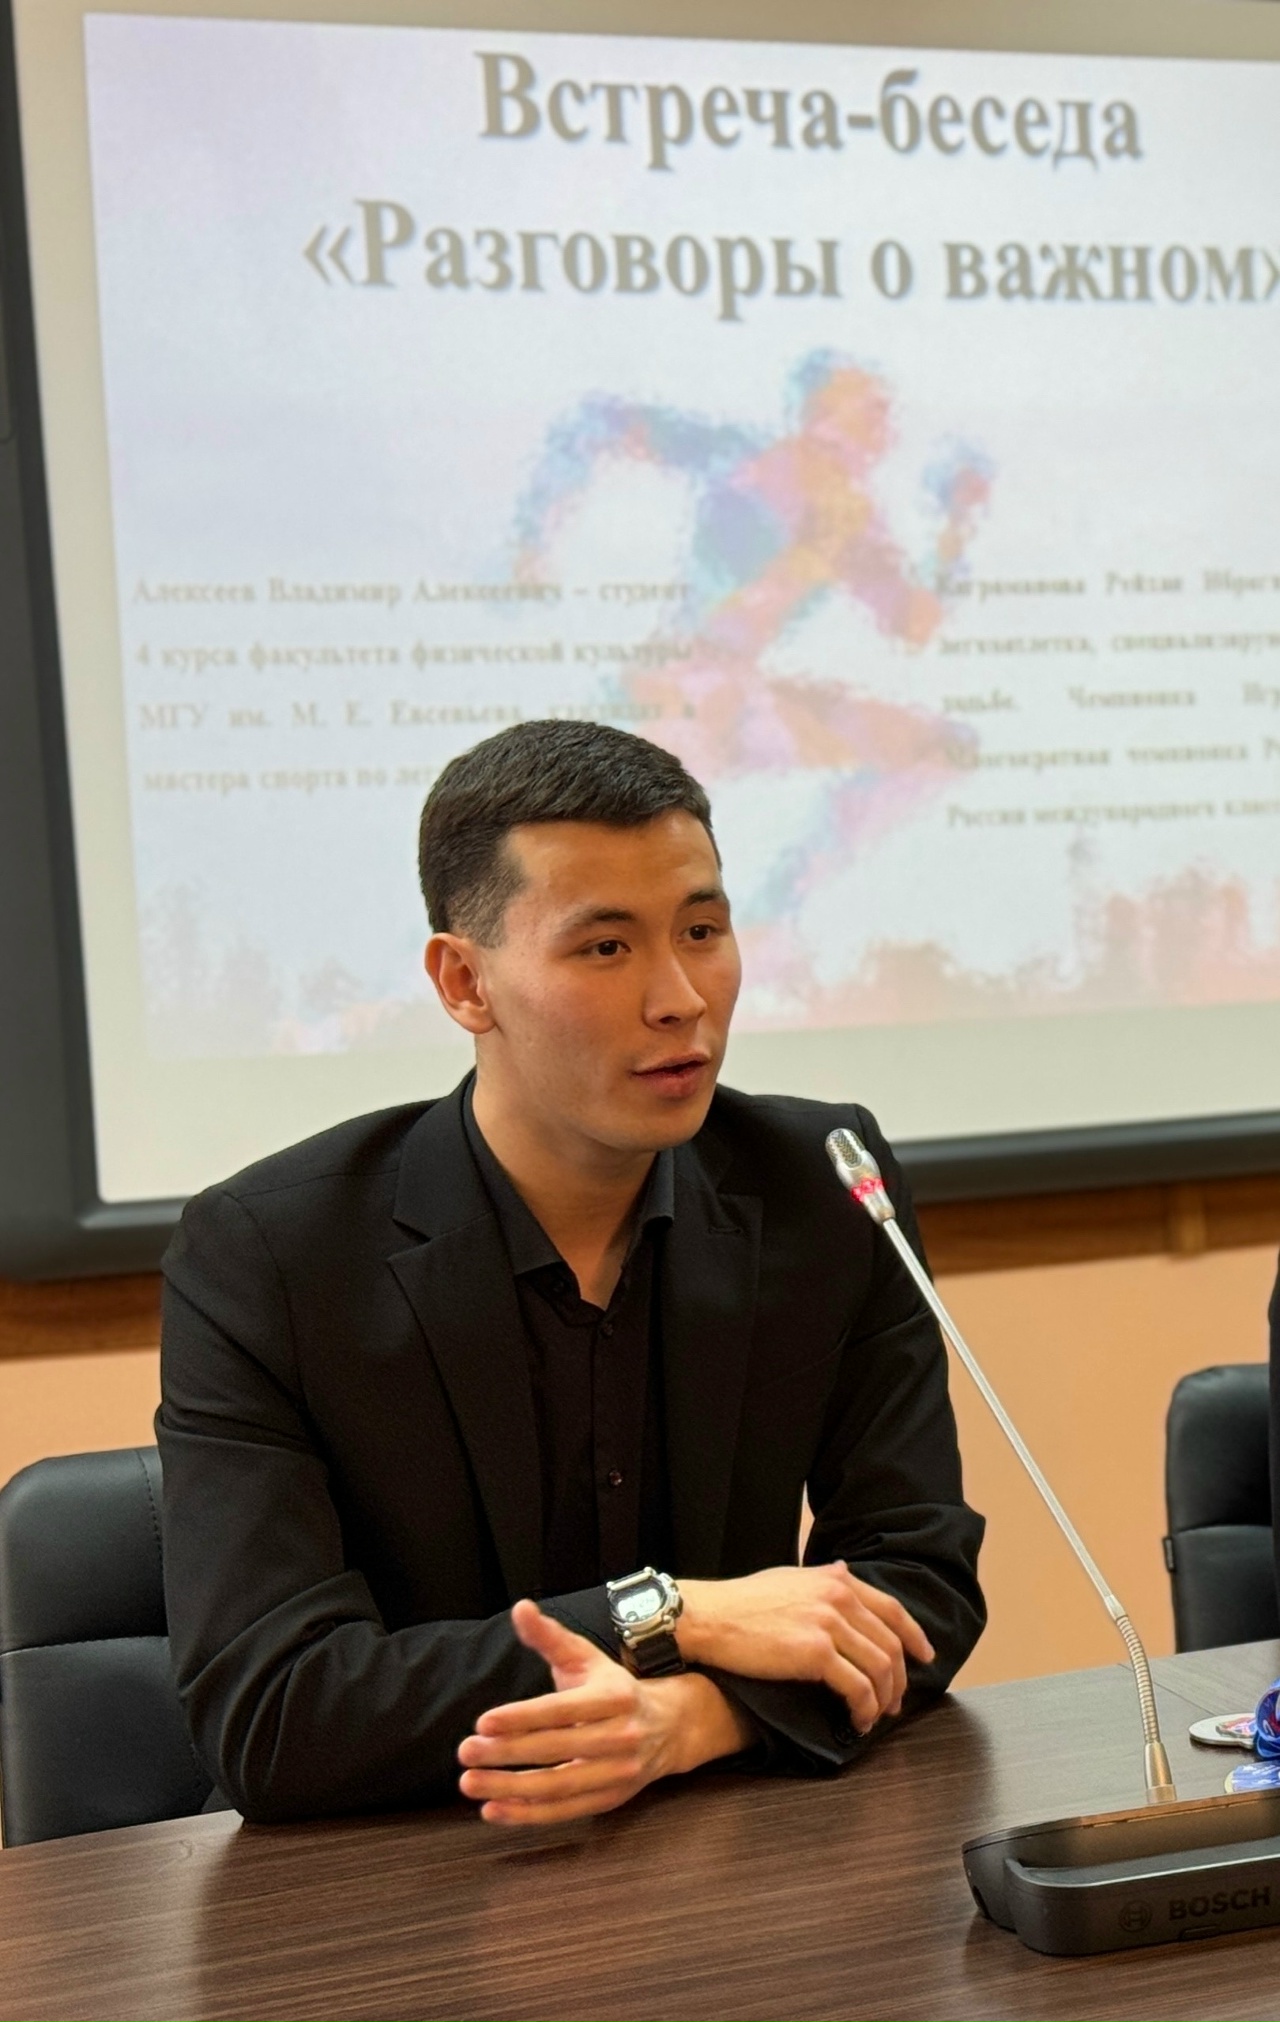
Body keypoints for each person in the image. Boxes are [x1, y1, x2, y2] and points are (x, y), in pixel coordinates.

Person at [159, 719, 985, 1828]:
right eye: (605, 948)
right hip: (409, 1873)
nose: (679, 997)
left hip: (734, 1847)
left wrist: (695, 1720)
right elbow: (274, 1714)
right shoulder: (271, 1256)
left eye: (702, 930)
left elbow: (917, 1583)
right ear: (465, 982)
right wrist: (670, 1612)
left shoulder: (822, 1184)